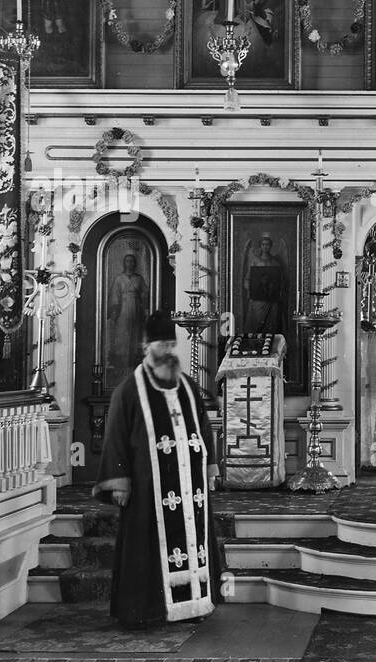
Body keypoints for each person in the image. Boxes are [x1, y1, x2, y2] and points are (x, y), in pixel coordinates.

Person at [92, 311, 224, 628]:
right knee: (147, 545)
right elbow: (116, 437)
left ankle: (194, 604)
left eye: (170, 344)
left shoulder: (189, 387)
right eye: (160, 344)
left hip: (190, 489)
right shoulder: (130, 389)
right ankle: (146, 609)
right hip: (149, 488)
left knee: (194, 543)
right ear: (148, 348)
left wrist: (210, 467)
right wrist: (120, 482)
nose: (166, 350)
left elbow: (203, 430)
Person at [106, 253, 150, 373]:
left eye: (131, 261)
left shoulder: (139, 279)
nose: (129, 263)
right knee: (122, 334)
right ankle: (120, 362)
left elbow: (145, 294)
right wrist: (114, 311)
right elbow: (115, 295)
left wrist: (144, 306)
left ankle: (134, 362)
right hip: (123, 309)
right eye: (127, 261)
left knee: (136, 334)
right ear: (124, 263)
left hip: (136, 309)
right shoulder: (119, 278)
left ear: (135, 263)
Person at [243, 233, 287, 334]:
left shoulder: (275, 263)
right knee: (257, 324)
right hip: (258, 300)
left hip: (272, 299)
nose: (265, 246)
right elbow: (247, 279)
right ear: (260, 246)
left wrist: (277, 290)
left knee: (272, 324)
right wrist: (251, 290)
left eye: (267, 244)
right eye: (263, 244)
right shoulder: (255, 261)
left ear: (270, 246)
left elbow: (281, 281)